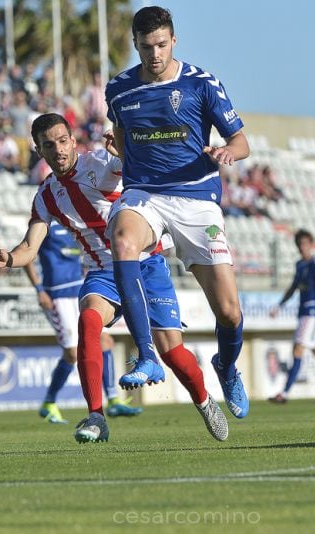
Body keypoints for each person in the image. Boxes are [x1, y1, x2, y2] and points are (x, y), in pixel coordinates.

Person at [0, 113, 228, 443]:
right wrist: (9, 258)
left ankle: (203, 400)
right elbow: (30, 246)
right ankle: (96, 416)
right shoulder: (45, 195)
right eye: (47, 145)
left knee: (173, 354)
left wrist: (124, 154)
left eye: (61, 140)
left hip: (146, 264)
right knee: (87, 320)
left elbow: (138, 171)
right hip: (103, 273)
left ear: (72, 140)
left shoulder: (99, 162)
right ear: (38, 151)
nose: (57, 149)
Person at [104, 6, 250, 419]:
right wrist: (119, 148)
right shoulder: (118, 89)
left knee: (229, 311)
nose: (154, 54)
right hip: (144, 195)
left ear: (174, 41)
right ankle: (147, 355)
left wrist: (226, 152)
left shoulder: (202, 84)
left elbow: (241, 142)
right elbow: (121, 133)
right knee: (122, 239)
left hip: (196, 198)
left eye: (162, 45)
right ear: (134, 44)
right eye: (146, 46)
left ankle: (226, 366)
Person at [25, 220, 142, 423]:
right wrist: (39, 289)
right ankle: (49, 402)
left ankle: (113, 401)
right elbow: (27, 254)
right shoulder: (44, 223)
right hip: (57, 294)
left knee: (105, 342)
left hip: (80, 289)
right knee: (71, 354)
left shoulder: (75, 224)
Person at [268, 229, 315, 403]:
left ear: (311, 244)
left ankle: (284, 393)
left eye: (305, 243)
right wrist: (279, 305)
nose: (302, 247)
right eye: (299, 244)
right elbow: (293, 288)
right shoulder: (299, 265)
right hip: (303, 312)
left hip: (312, 312)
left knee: (298, 348)